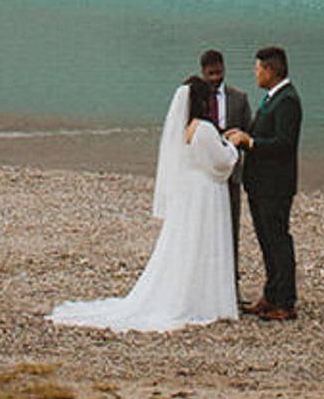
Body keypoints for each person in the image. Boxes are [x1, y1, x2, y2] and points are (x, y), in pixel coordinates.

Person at [51, 74, 239, 331]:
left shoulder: (184, 130)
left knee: (189, 242)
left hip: (190, 193)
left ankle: (192, 294)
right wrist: (232, 145)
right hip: (205, 193)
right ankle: (205, 300)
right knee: (204, 240)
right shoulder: (203, 129)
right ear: (203, 102)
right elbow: (220, 162)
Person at [228, 48, 303, 321]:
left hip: (275, 186)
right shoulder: (272, 98)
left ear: (271, 70)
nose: (255, 73)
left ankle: (285, 301)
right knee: (266, 242)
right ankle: (271, 295)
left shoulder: (288, 100)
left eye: (258, 68)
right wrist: (243, 135)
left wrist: (250, 142)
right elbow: (263, 132)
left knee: (278, 241)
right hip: (260, 184)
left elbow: (285, 143)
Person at [196, 49, 249, 292]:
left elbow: (249, 134)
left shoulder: (239, 98)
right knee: (205, 231)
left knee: (230, 230)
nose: (216, 78)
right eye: (211, 74)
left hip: (231, 177)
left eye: (219, 72)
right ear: (202, 72)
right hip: (205, 178)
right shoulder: (195, 100)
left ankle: (230, 288)